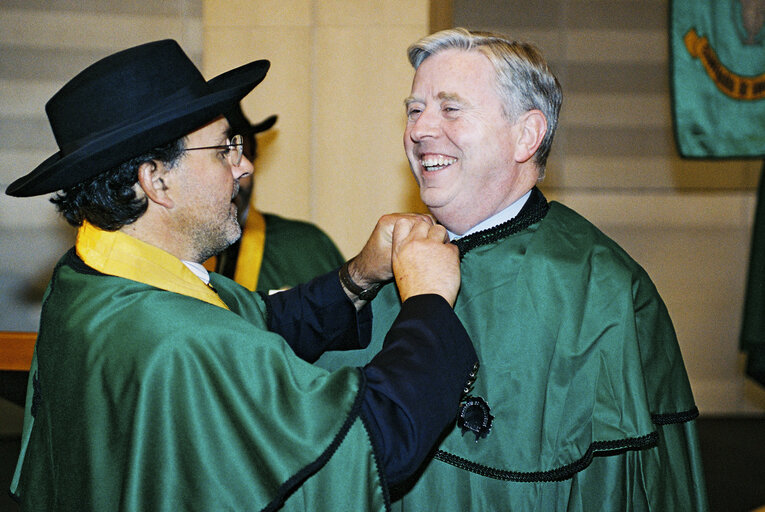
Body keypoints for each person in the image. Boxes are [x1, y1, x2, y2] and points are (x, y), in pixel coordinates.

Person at [5, 39, 479, 511]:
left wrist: (359, 273)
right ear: (156, 179)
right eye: (223, 149)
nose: (245, 165)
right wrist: (428, 301)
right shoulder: (180, 342)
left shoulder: (92, 278)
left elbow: (256, 319)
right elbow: (374, 439)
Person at [317, 28, 709, 510]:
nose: (420, 130)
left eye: (450, 108)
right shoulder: (386, 263)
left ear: (526, 135)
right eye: (414, 109)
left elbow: (636, 487)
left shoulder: (603, 287)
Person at [206, 105, 346, 293]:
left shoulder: (305, 247)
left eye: (242, 155)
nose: (236, 171)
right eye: (220, 156)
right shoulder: (165, 252)